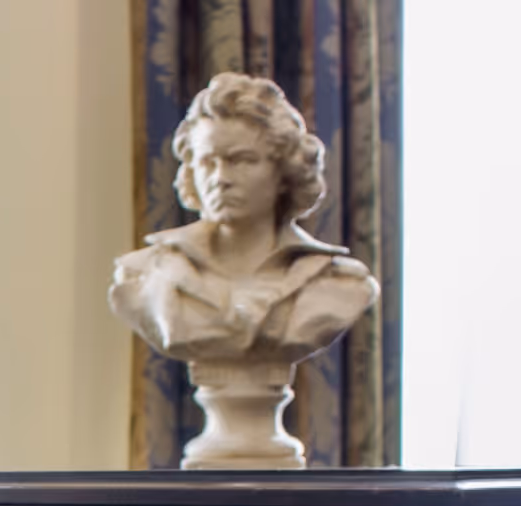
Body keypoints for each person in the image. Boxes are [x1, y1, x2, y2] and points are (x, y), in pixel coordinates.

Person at [109, 73, 377, 366]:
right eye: (207, 163)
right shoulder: (144, 274)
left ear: (284, 172)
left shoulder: (338, 282)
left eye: (242, 160)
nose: (220, 179)